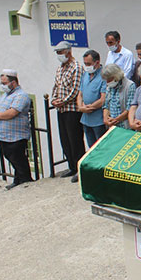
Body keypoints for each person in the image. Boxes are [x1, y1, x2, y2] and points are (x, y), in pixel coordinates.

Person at [0, 69, 33, 189]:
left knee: (17, 157)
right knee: (10, 156)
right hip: (4, 135)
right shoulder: (5, 96)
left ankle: (25, 179)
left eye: (4, 83)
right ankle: (18, 179)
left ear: (13, 82)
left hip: (16, 135)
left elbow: (12, 112)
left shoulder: (21, 95)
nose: (3, 86)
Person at [51, 41, 85, 179]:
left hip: (72, 109)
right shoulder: (60, 68)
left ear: (68, 52)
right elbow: (56, 86)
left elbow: (76, 89)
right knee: (64, 139)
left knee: (75, 139)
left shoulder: (76, 67)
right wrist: (54, 99)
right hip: (61, 109)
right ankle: (71, 166)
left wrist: (63, 101)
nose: (59, 55)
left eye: (60, 52)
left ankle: (79, 167)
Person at [77, 50, 107, 150]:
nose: (87, 66)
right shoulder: (85, 74)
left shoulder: (104, 76)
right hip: (86, 119)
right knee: (91, 148)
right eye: (85, 63)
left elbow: (103, 98)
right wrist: (80, 107)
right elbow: (80, 94)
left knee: (101, 148)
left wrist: (90, 107)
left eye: (89, 64)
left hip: (98, 119)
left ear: (97, 62)